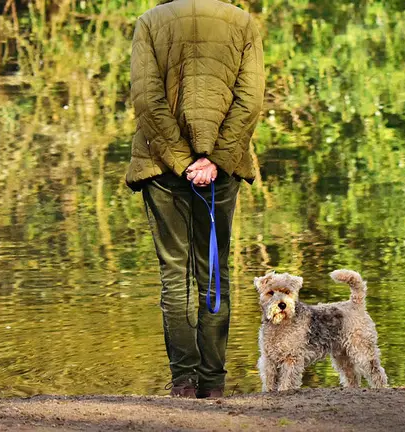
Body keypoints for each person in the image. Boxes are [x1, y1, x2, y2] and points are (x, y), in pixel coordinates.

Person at [125, 0, 265, 398]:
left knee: (175, 276)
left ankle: (184, 385)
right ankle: (214, 386)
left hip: (161, 165)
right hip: (222, 168)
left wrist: (182, 160)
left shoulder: (149, 22)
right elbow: (250, 100)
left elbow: (146, 100)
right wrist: (215, 160)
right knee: (214, 274)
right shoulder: (242, 22)